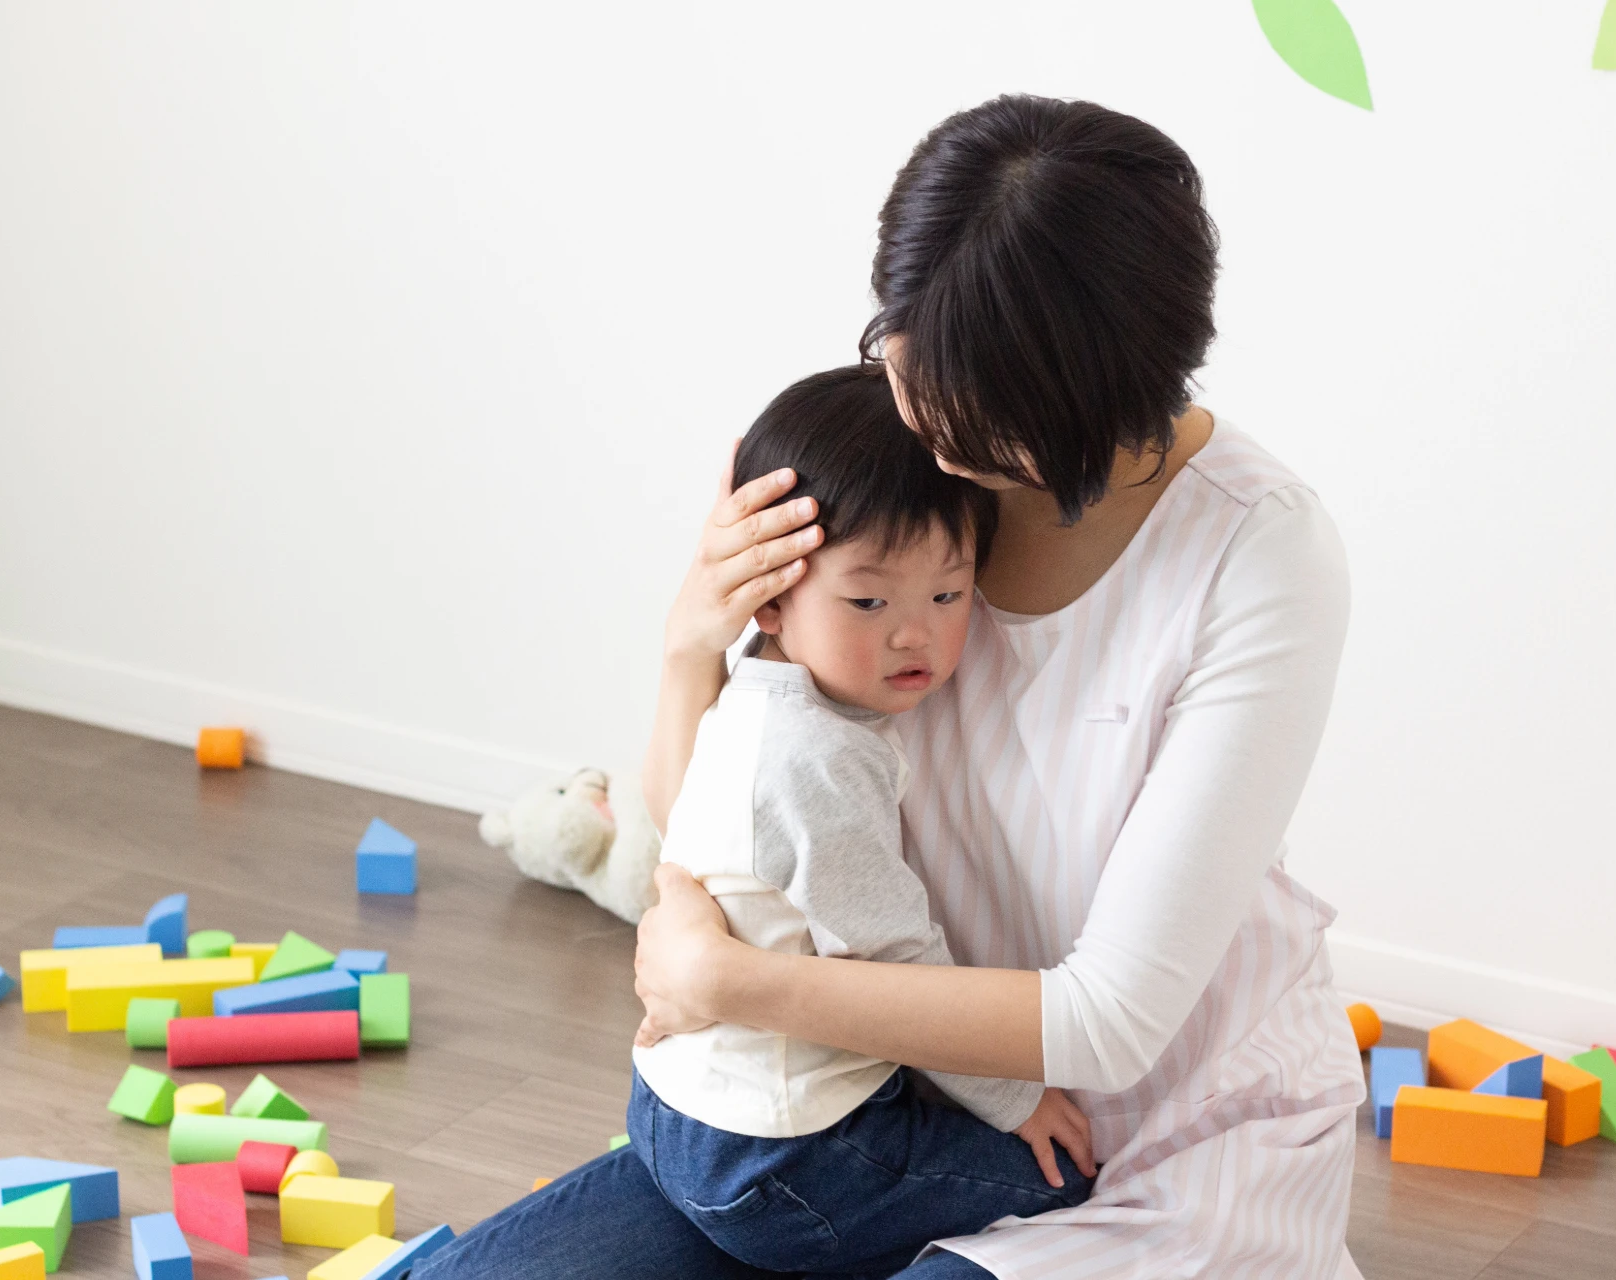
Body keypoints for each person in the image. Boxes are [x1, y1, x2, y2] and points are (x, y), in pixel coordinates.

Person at [417, 93, 1364, 1280]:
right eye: (903, 355)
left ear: (1082, 396)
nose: (920, 413)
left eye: (964, 400)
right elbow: (732, 818)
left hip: (1151, 1148)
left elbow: (1109, 1022)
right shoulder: (898, 470)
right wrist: (688, 648)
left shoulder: (1259, 552)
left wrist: (730, 979)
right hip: (869, 1112)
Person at [625, 365, 1095, 1275]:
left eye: (948, 596)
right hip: (782, 1159)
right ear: (769, 594)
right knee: (1065, 1183)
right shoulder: (819, 757)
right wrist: (1016, 1102)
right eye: (869, 602)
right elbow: (894, 957)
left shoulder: (754, 701)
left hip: (671, 1109)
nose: (913, 635)